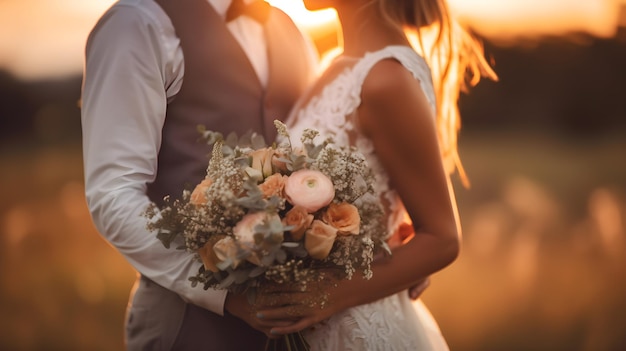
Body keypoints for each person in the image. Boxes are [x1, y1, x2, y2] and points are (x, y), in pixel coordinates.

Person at [254, 0, 496, 349]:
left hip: (358, 332)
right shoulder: (335, 64)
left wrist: (325, 295)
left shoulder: (385, 78)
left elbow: (443, 238)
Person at [80, 0, 320, 349]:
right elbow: (113, 194)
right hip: (187, 324)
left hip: (301, 329)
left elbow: (320, 150)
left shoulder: (290, 28)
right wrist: (224, 293)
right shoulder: (136, 24)